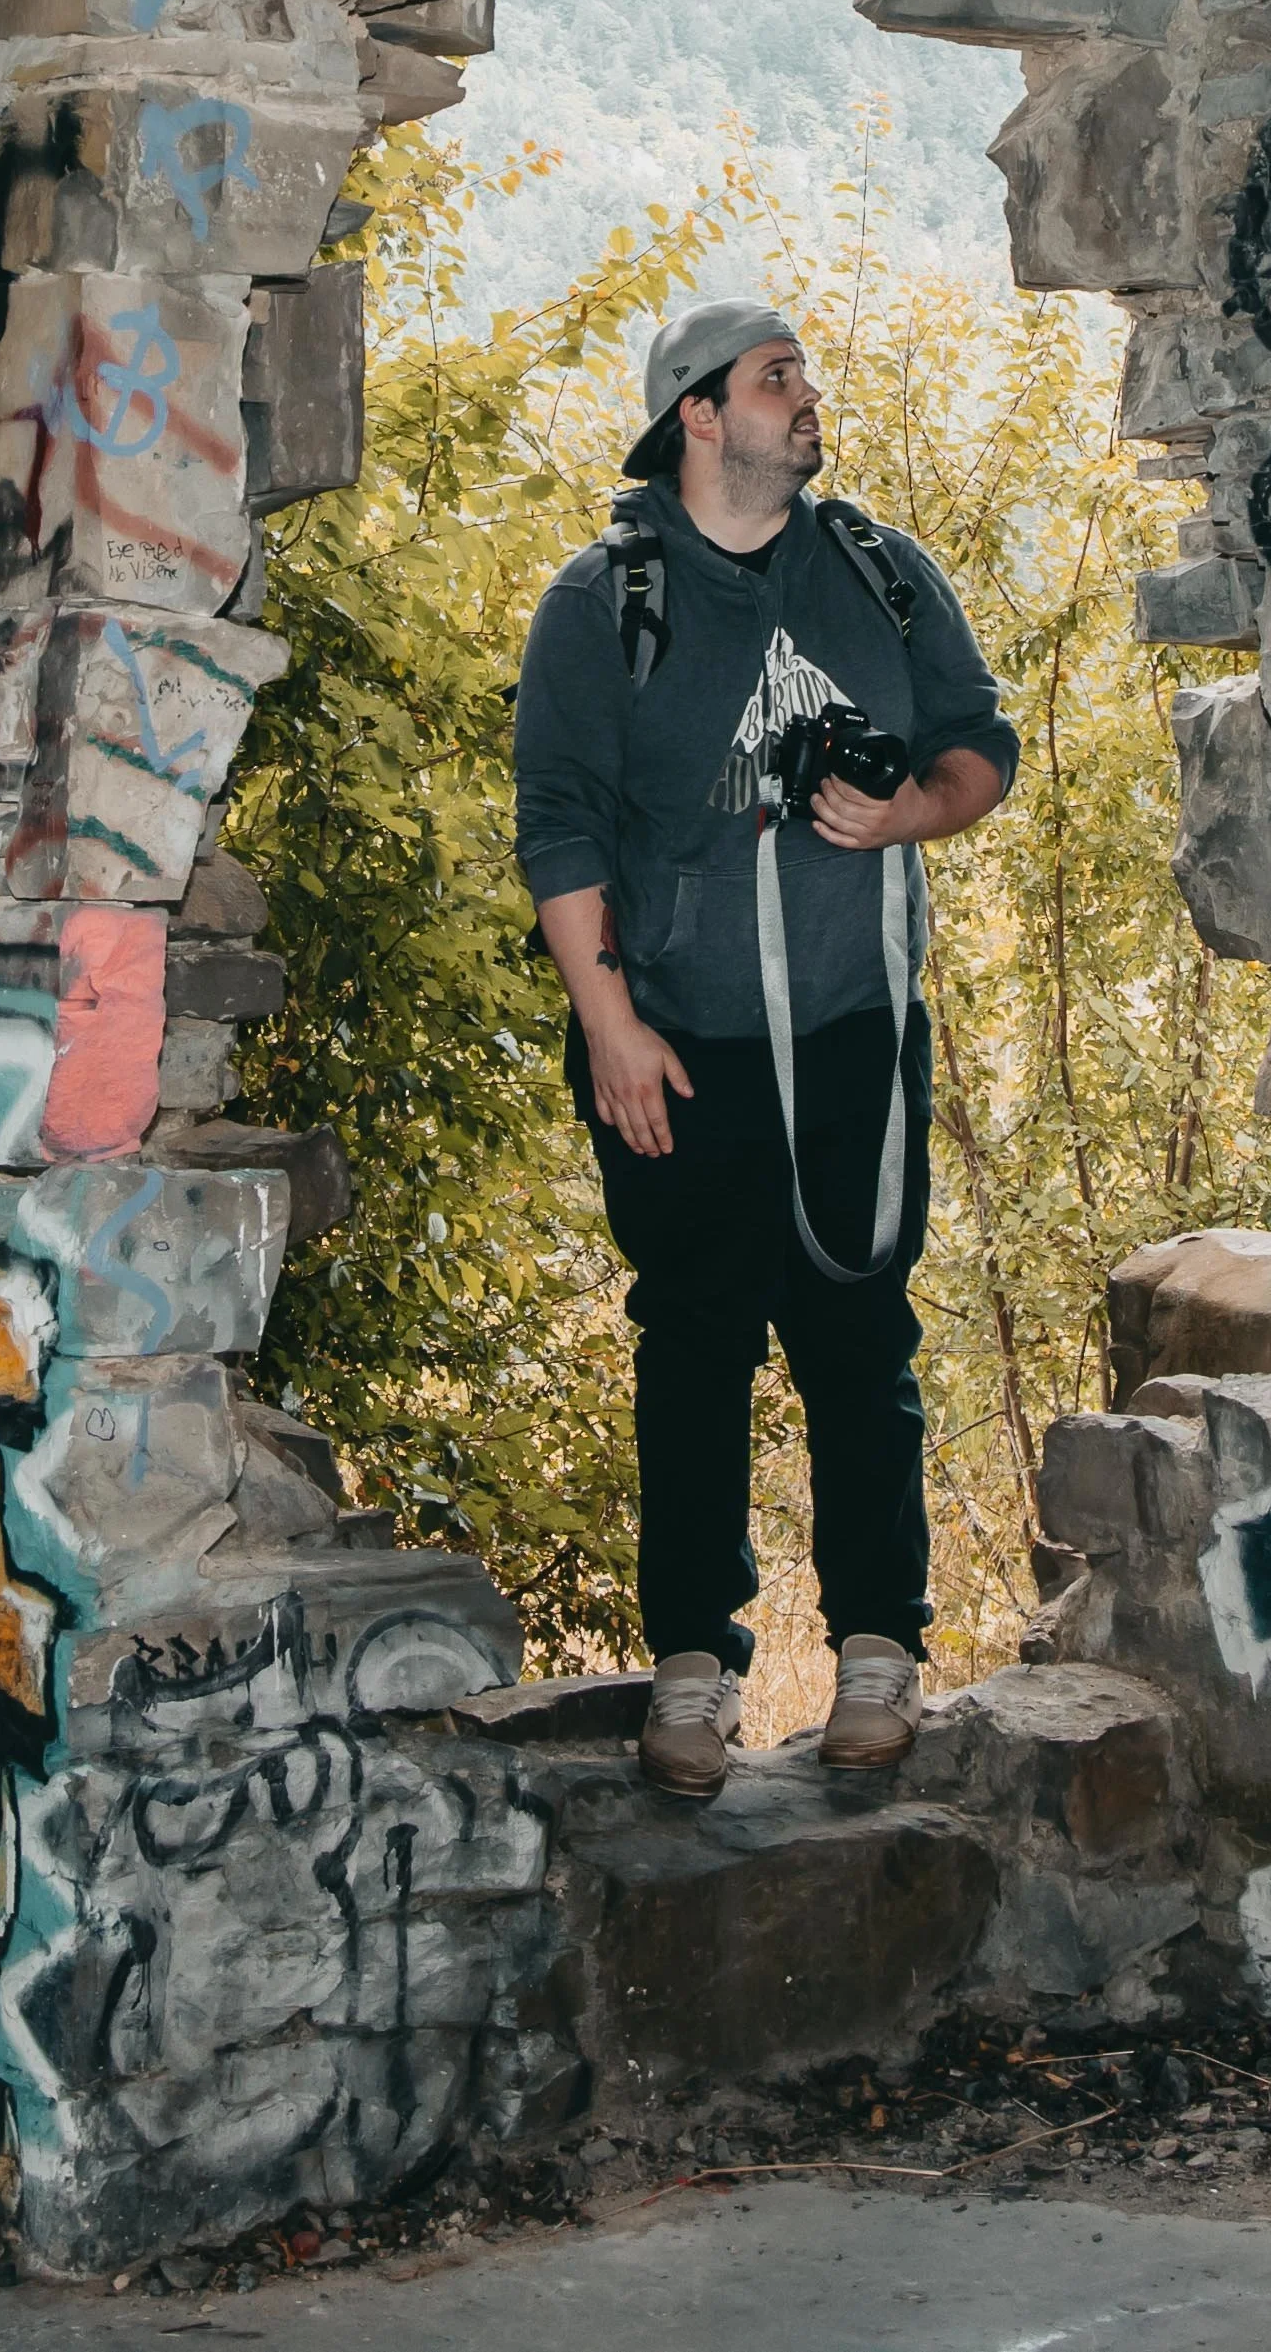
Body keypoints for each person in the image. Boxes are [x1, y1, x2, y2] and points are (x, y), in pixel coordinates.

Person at [514, 299, 1019, 1798]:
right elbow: (558, 826)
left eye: (800, 376)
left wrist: (910, 813)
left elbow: (980, 740)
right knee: (693, 1347)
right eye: (773, 379)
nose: (806, 399)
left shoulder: (876, 569)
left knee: (862, 1338)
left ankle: (877, 1654)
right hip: (673, 1046)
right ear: (696, 415)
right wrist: (609, 1029)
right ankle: (692, 1670)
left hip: (856, 1030)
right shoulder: (601, 603)